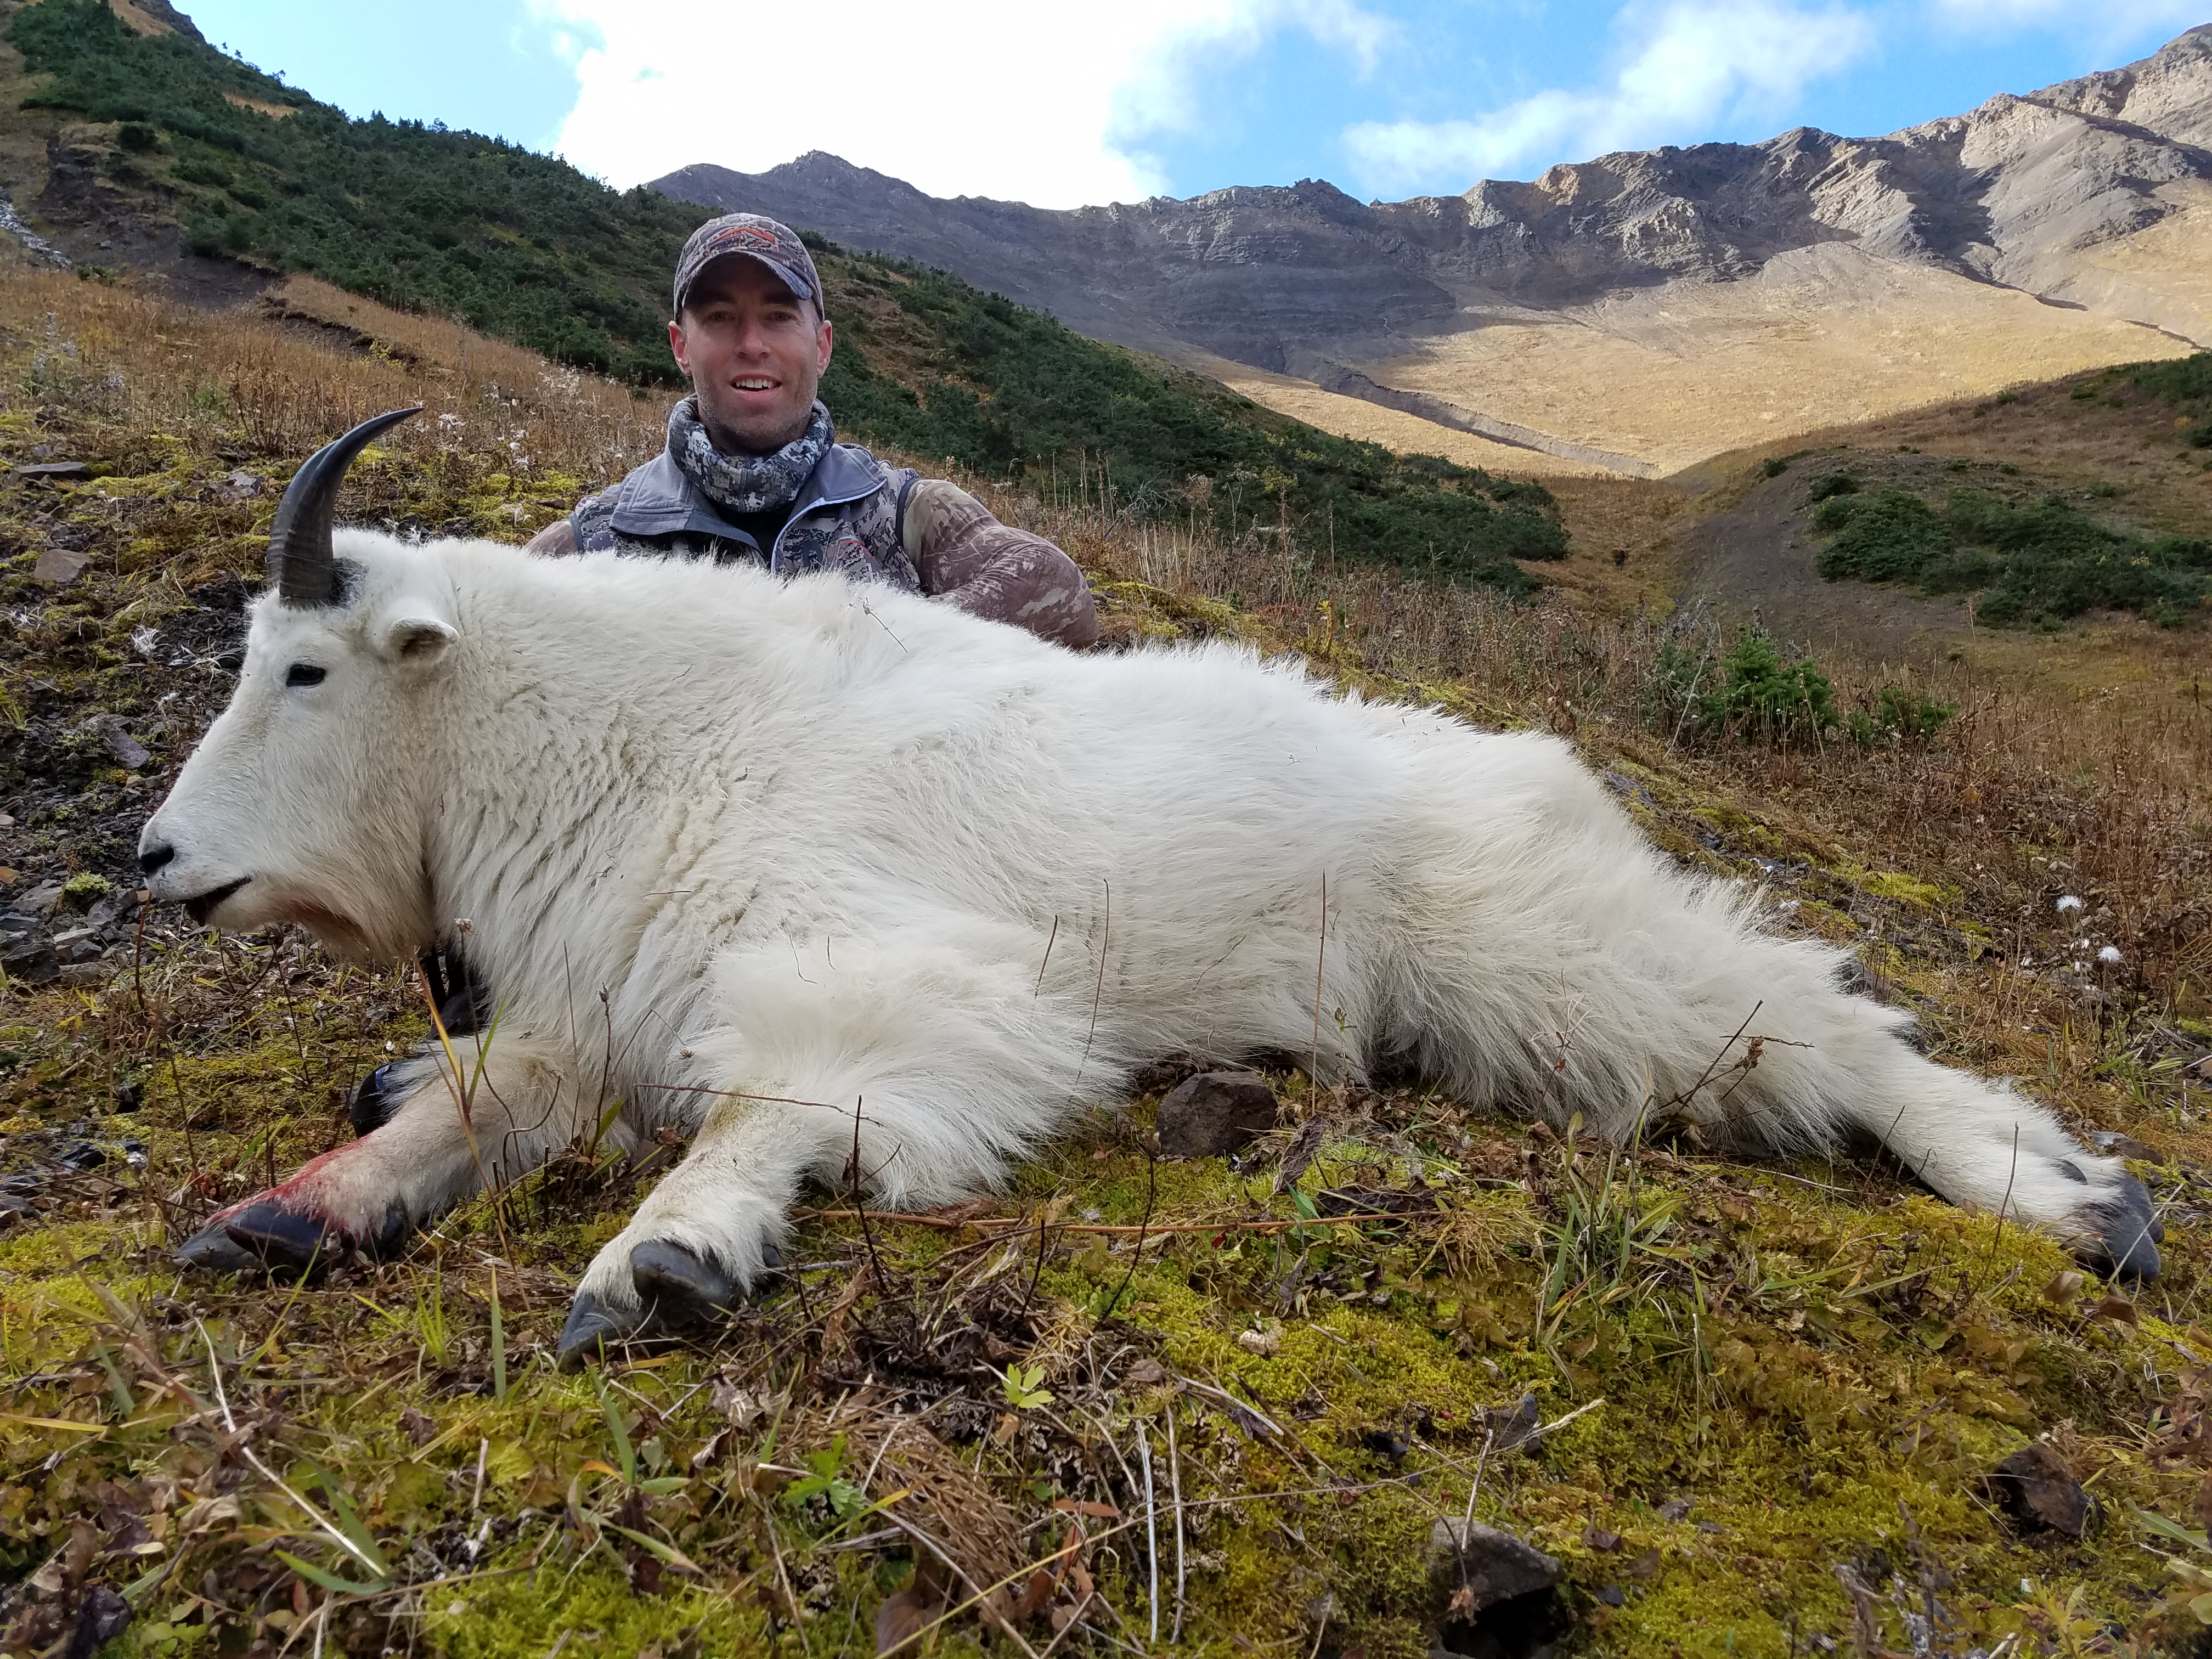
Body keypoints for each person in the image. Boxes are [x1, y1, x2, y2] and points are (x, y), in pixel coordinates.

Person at [525, 212, 1099, 650]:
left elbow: (1057, 590)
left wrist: (856, 655)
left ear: (821, 345)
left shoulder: (901, 510)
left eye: (778, 316)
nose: (753, 344)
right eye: (721, 318)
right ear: (680, 346)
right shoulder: (599, 539)